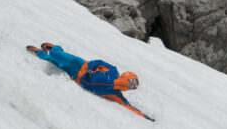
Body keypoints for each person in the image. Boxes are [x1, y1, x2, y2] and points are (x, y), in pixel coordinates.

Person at [26, 43, 154, 121]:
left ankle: (39, 53)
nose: (131, 86)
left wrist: (144, 116)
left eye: (133, 87)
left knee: (53, 61)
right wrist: (90, 68)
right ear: (127, 76)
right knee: (56, 55)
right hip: (80, 64)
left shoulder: (116, 94)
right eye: (132, 82)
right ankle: (55, 48)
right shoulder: (113, 70)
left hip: (76, 76)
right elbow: (99, 62)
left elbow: (128, 106)